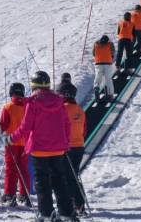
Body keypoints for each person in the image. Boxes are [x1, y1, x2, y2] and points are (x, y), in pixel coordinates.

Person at [5, 71, 79, 222]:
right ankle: (66, 212)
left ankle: (46, 213)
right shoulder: (59, 102)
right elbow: (66, 124)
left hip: (40, 150)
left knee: (42, 182)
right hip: (58, 149)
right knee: (60, 180)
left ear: (34, 86)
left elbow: (25, 127)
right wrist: (65, 142)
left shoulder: (33, 102)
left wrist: (12, 138)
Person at [0, 83, 31, 207]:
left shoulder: (8, 107)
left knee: (11, 169)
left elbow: (2, 125)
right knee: (24, 169)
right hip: (25, 144)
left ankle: (10, 194)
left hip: (11, 143)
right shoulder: (28, 106)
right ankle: (25, 194)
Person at [59, 83, 86, 216]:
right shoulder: (80, 110)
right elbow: (85, 130)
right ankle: (78, 202)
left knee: (68, 177)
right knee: (74, 175)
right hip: (79, 146)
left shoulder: (62, 109)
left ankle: (77, 203)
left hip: (67, 147)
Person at [92, 35, 115, 102]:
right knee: (108, 79)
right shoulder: (110, 44)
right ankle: (110, 95)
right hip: (107, 63)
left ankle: (96, 88)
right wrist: (111, 57)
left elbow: (93, 53)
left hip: (98, 63)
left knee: (98, 78)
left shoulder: (96, 44)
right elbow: (113, 52)